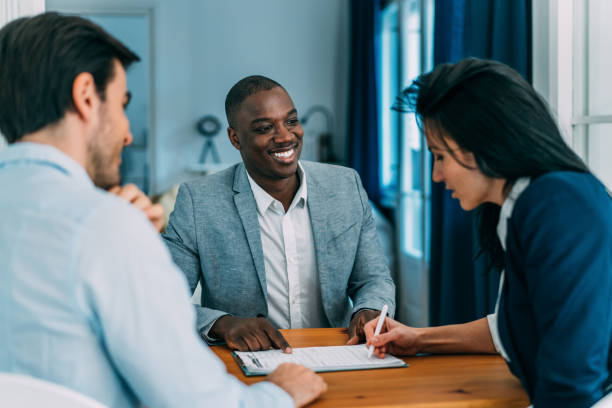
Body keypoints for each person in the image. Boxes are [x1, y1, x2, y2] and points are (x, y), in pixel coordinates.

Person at [0, 12, 326, 408]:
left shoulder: (102, 224)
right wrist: (281, 392)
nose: (127, 133)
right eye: (122, 104)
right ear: (86, 96)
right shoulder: (107, 228)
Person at [364, 58, 612, 407]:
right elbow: (526, 320)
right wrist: (419, 339)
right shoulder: (523, 203)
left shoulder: (559, 202)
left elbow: (574, 371)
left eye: (439, 156)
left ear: (478, 145)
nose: (436, 176)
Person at [162, 75, 396, 352]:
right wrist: (224, 324)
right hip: (250, 361)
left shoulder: (345, 186)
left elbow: (373, 278)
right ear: (235, 138)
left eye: (291, 121)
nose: (285, 136)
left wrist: (368, 311)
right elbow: (165, 300)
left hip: (338, 352)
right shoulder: (198, 201)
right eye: (264, 128)